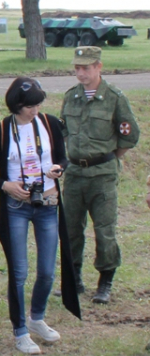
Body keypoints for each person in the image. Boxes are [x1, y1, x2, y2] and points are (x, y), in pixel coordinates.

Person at [0, 78, 81, 355]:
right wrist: (5, 185)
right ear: (16, 106)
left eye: (38, 105)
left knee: (47, 271)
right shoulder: (0, 131)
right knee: (19, 272)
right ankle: (20, 330)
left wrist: (59, 168)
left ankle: (37, 318)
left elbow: (63, 158)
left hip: (47, 202)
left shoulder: (49, 123)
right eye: (29, 106)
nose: (35, 110)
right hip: (16, 207)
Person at [60, 46, 140, 303]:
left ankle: (105, 282)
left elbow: (129, 136)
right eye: (77, 68)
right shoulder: (71, 97)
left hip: (102, 175)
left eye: (85, 68)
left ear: (98, 67)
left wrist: (109, 159)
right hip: (74, 174)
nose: (81, 73)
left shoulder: (115, 97)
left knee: (105, 230)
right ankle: (74, 280)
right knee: (71, 229)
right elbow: (65, 132)